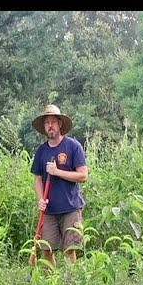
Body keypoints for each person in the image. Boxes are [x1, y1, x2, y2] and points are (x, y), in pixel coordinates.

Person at [30, 104, 88, 266]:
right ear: (44, 127)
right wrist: (40, 199)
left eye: (53, 122)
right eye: (47, 122)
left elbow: (83, 175)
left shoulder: (73, 146)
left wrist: (57, 172)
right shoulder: (41, 151)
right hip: (49, 210)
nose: (50, 125)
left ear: (60, 124)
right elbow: (37, 179)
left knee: (70, 250)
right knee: (46, 250)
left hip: (70, 208)